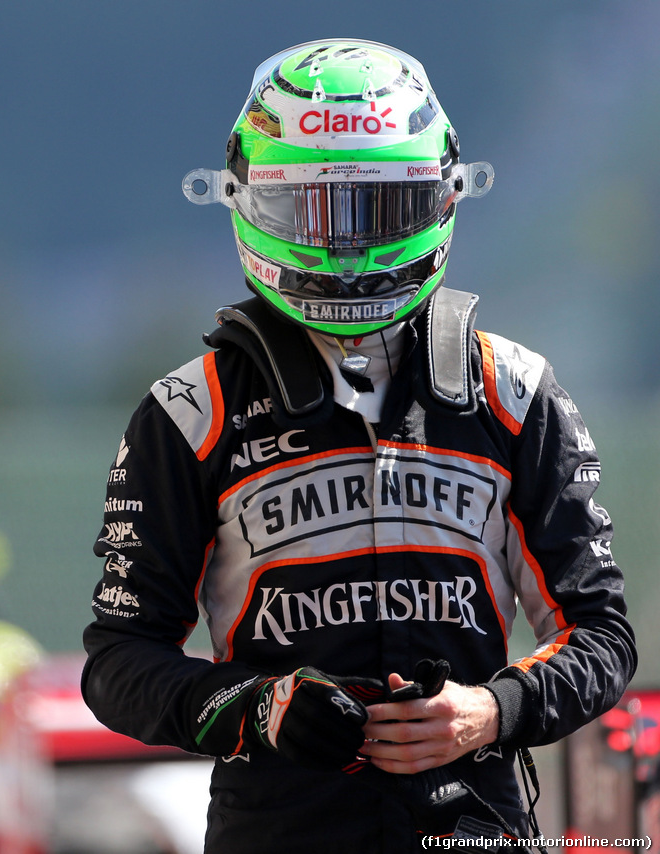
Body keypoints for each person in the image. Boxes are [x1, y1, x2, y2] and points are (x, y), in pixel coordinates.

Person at [80, 38, 636, 851]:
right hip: (280, 828)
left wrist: (491, 711)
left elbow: (603, 634)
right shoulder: (189, 411)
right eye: (311, 209)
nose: (344, 245)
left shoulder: (514, 390)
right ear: (244, 201)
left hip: (472, 823)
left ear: (439, 199)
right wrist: (258, 709)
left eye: (376, 210)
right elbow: (118, 661)